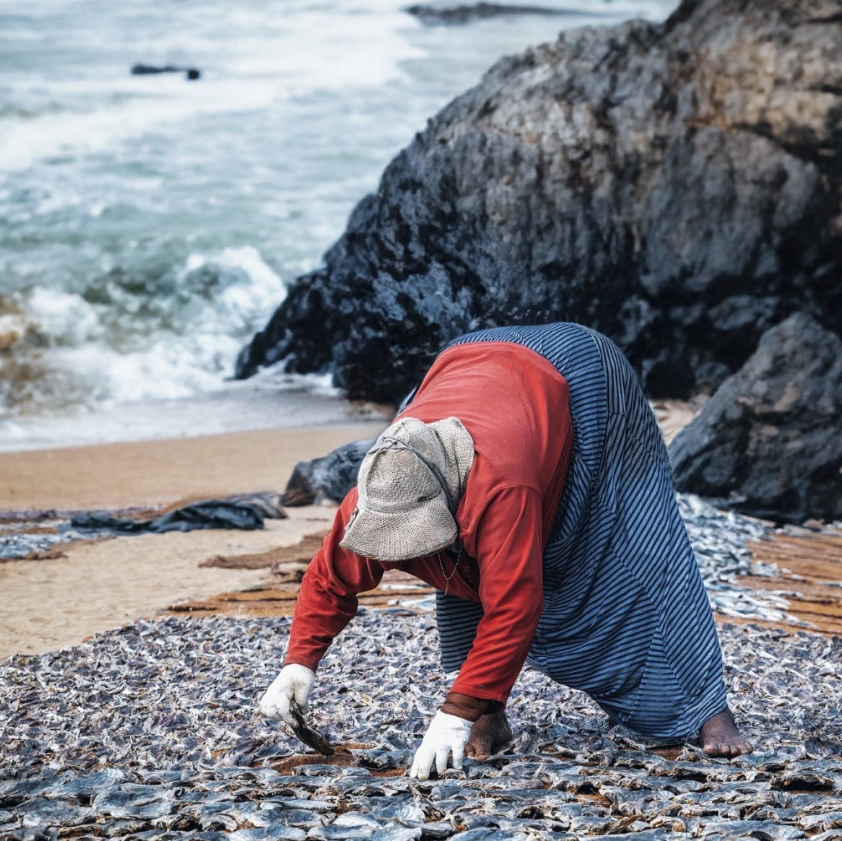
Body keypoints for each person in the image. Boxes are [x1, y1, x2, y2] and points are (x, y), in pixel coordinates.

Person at [260, 323, 750, 778]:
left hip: (584, 382)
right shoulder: (380, 485)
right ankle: (488, 713)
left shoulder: (501, 488)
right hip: (467, 366)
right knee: (454, 567)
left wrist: (453, 714)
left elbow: (515, 606)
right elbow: (329, 579)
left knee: (644, 540)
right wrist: (298, 664)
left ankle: (708, 708)